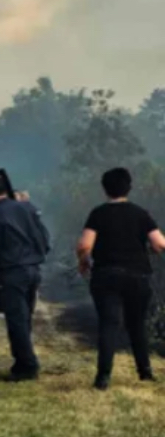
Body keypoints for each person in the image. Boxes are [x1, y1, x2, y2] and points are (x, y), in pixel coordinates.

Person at [75, 167, 165, 390]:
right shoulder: (140, 213)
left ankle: (103, 377)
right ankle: (145, 372)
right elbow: (160, 243)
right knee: (137, 325)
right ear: (129, 187)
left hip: (106, 276)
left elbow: (85, 244)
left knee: (108, 324)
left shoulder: (98, 213)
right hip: (137, 275)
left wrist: (84, 261)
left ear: (105, 189)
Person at [0, 175, 51, 381]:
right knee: (25, 318)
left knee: (16, 320)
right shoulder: (27, 208)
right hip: (33, 270)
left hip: (11, 273)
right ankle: (22, 361)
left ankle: (27, 366)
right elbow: (44, 239)